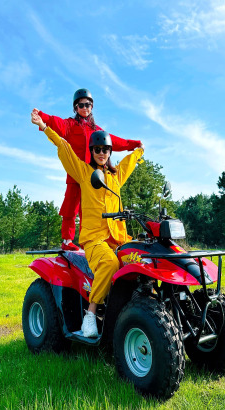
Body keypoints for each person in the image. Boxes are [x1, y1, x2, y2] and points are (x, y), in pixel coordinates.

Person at [31, 110, 144, 338]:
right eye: (97, 149)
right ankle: (91, 314)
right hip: (94, 240)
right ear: (92, 151)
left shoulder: (115, 176)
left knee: (145, 261)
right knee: (110, 264)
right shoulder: (84, 173)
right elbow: (64, 147)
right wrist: (45, 128)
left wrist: (139, 150)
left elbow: (129, 162)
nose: (101, 153)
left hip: (120, 239)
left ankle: (138, 311)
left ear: (110, 152)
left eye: (105, 150)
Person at [31, 88, 141, 252]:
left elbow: (114, 141)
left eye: (88, 105)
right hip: (76, 170)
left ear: (92, 107)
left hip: (93, 173)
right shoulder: (70, 125)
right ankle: (67, 240)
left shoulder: (96, 130)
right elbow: (55, 122)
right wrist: (41, 116)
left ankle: (88, 240)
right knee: (70, 206)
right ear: (75, 107)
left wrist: (133, 144)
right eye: (81, 105)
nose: (85, 108)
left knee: (89, 210)